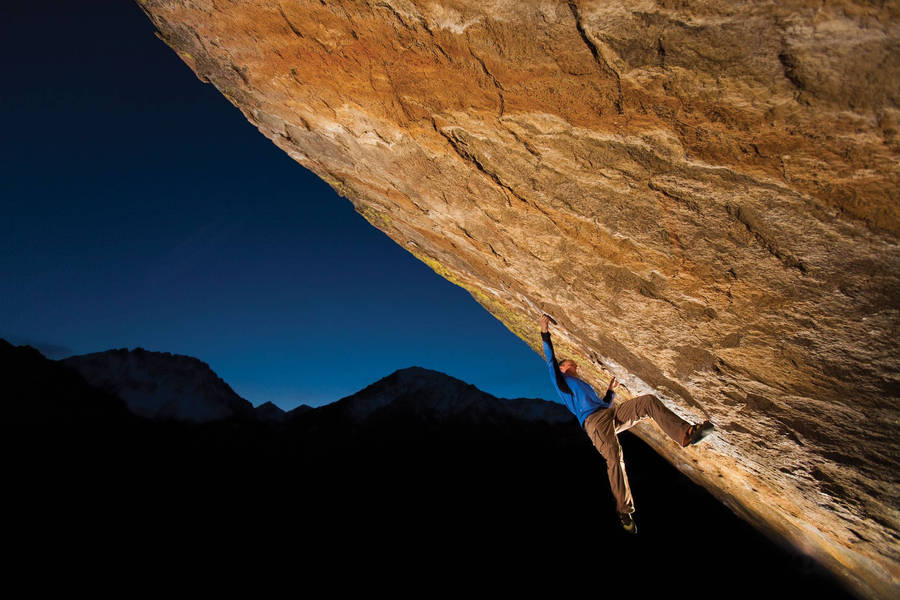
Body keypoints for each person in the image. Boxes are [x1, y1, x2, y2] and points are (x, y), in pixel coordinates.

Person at [540, 314, 713, 534]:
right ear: (563, 368)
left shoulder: (582, 385)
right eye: (568, 363)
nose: (573, 363)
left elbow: (603, 404)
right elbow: (550, 362)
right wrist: (544, 330)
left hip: (608, 414)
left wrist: (610, 391)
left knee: (647, 402)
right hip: (595, 424)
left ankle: (686, 433)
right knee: (615, 457)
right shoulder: (562, 383)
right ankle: (624, 511)